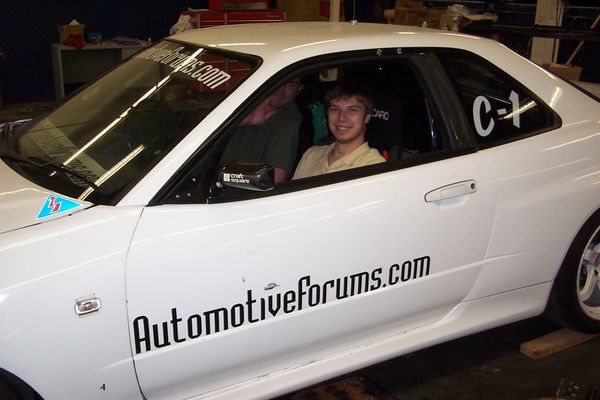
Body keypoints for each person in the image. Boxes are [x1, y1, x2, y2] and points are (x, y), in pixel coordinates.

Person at [292, 82, 385, 180]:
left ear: (367, 117)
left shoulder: (374, 167)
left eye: (352, 110)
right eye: (335, 109)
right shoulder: (311, 155)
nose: (341, 118)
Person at [219, 79, 303, 183]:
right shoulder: (247, 101)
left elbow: (275, 178)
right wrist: (243, 120)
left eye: (291, 84)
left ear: (299, 89)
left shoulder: (287, 120)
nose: (281, 89)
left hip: (236, 187)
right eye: (279, 82)